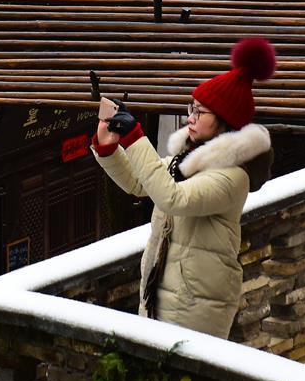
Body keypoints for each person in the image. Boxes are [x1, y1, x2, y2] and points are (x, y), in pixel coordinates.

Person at [92, 37, 275, 339]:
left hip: (198, 304)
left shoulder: (232, 177)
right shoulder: (187, 160)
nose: (190, 117)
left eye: (200, 112)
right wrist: (110, 147)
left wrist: (136, 138)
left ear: (224, 121)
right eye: (191, 107)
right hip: (162, 289)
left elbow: (172, 198)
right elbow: (142, 183)